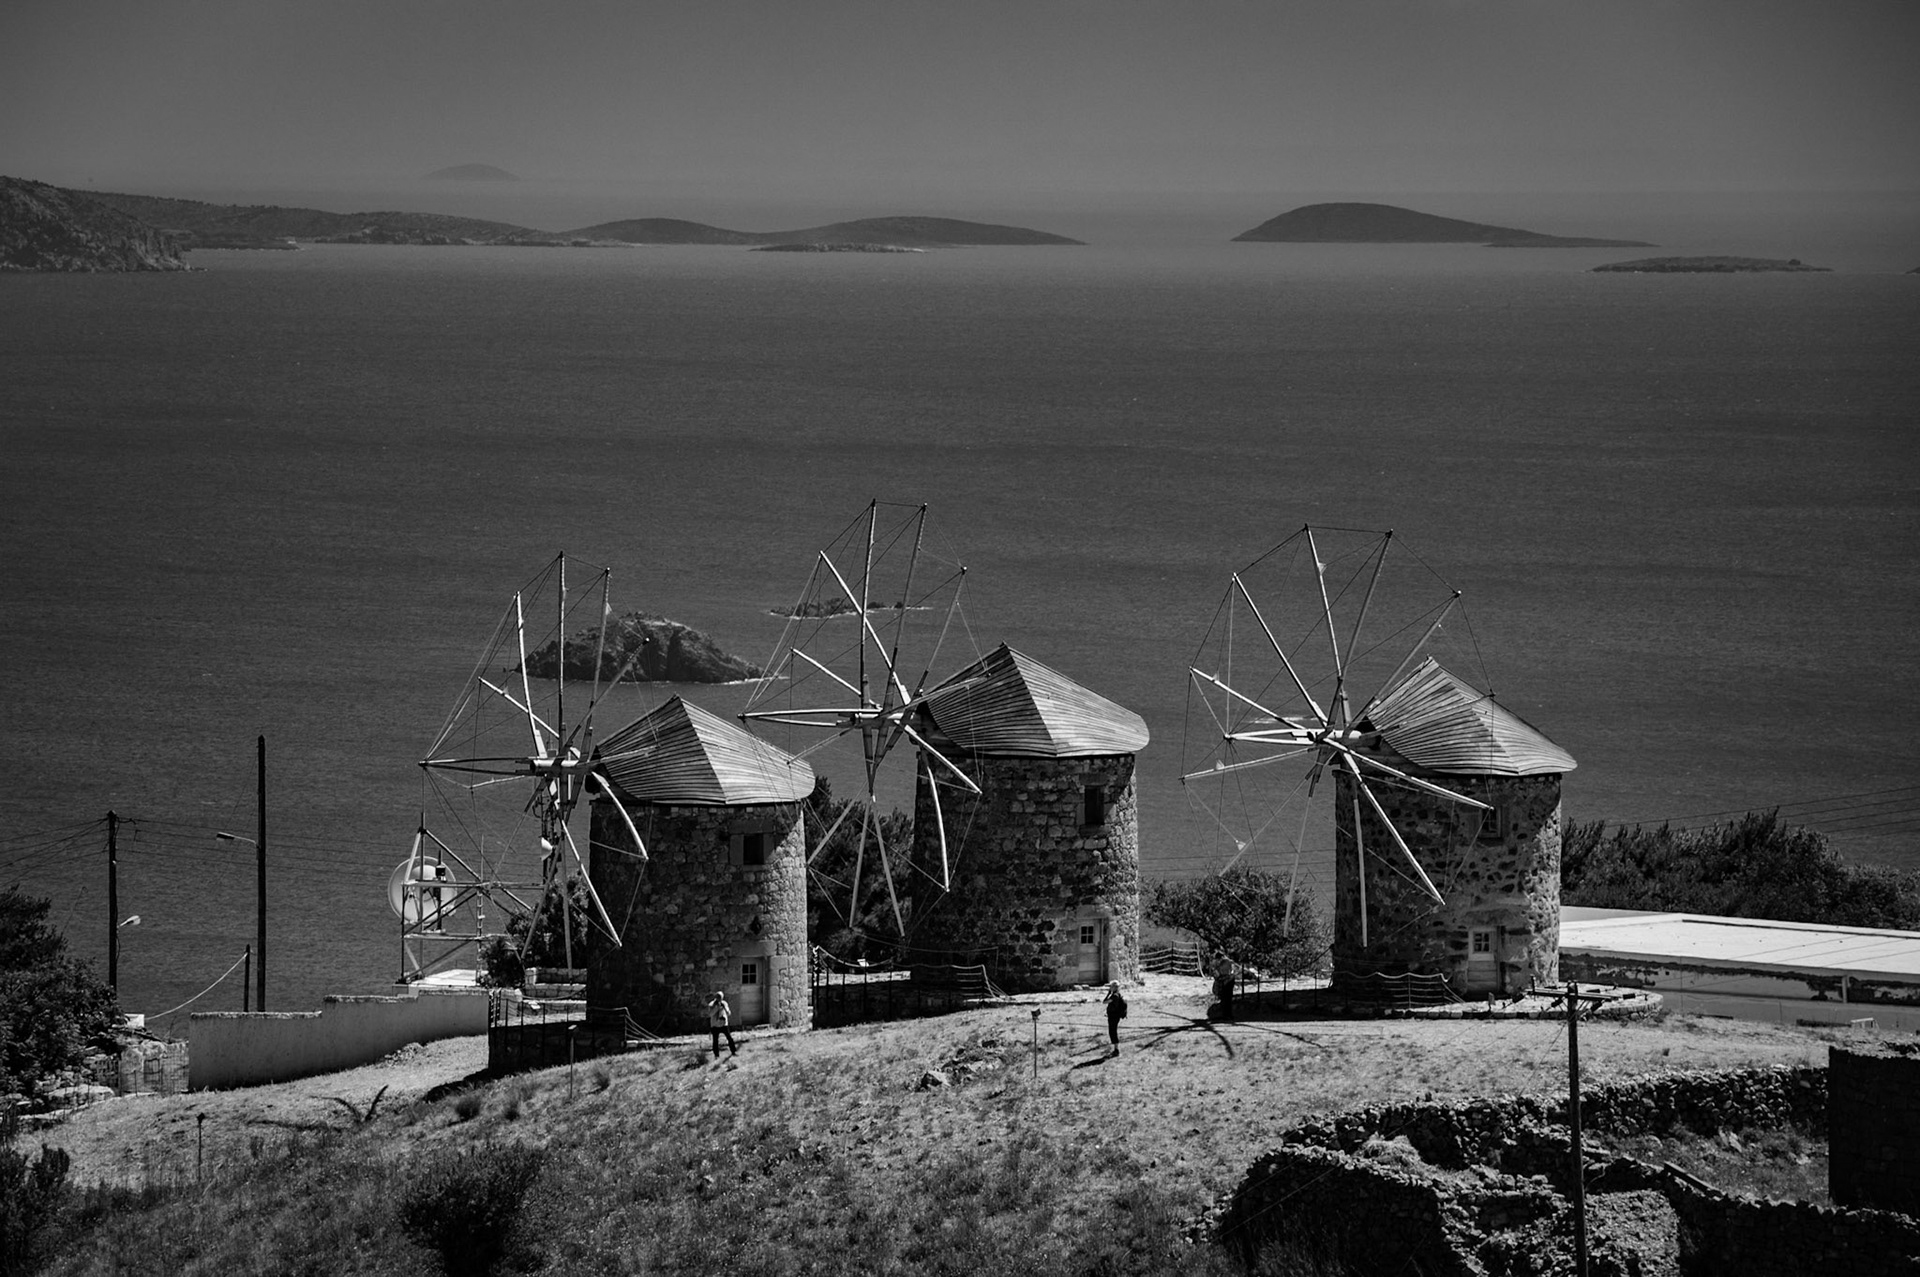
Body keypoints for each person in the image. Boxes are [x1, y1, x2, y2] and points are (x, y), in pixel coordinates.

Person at [708, 991, 738, 1058]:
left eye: (720, 997)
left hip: (723, 1024)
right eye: (718, 997)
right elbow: (710, 1014)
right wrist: (717, 1008)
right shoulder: (711, 1004)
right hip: (715, 1025)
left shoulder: (724, 1003)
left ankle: (733, 1051)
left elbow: (728, 1013)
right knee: (715, 1041)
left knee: (729, 1038)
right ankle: (716, 1055)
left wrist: (726, 1010)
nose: (719, 999)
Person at [1212, 953, 1239, 1021]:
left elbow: (1218, 973)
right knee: (1227, 998)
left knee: (1225, 998)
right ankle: (1228, 1014)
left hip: (1226, 979)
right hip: (1228, 979)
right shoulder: (1228, 961)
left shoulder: (1223, 962)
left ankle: (1226, 1015)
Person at [1104, 980, 1128, 1053]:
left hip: (1113, 1016)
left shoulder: (1114, 996)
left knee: (1113, 1031)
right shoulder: (1118, 994)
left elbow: (1104, 1001)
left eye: (1111, 987)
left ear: (1114, 987)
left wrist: (1108, 994)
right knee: (1113, 1031)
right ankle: (1115, 1048)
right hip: (1114, 1015)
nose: (1110, 988)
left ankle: (1116, 1049)